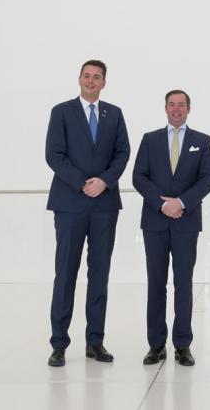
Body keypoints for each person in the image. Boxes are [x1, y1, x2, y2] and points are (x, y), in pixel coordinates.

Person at [45, 60, 130, 367]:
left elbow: (123, 153)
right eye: (87, 76)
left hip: (104, 205)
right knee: (65, 273)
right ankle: (59, 344)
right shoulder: (62, 112)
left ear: (104, 82)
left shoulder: (114, 114)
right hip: (70, 203)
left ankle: (95, 341)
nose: (91, 81)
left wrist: (104, 181)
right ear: (79, 79)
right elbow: (54, 155)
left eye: (97, 77)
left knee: (99, 274)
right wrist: (82, 183)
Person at [132, 90, 210, 367]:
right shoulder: (150, 139)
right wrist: (162, 204)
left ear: (189, 109)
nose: (176, 109)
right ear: (165, 108)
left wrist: (181, 202)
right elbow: (139, 177)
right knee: (156, 283)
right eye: (172, 105)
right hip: (155, 222)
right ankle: (156, 345)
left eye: (181, 105)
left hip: (186, 222)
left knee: (183, 283)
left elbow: (207, 179)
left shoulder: (201, 141)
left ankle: (183, 345)